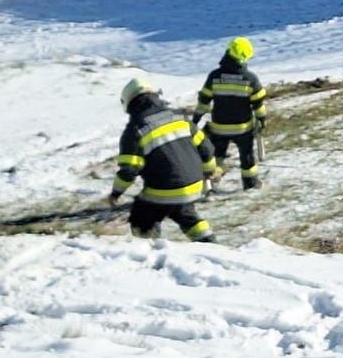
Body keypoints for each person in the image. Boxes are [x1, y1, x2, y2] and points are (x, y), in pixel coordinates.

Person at [110, 77, 219, 242]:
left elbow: (129, 171)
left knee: (142, 215)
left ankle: (148, 249)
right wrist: (210, 171)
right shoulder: (180, 118)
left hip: (164, 189)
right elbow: (206, 149)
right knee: (183, 211)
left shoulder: (135, 130)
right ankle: (210, 243)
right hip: (194, 184)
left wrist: (116, 193)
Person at [195, 37, 268, 191]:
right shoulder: (250, 79)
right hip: (243, 128)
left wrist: (196, 118)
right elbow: (258, 103)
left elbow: (204, 100)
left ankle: (212, 182)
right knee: (247, 157)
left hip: (219, 127)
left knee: (217, 156)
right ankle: (250, 184)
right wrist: (262, 120)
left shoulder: (214, 76)